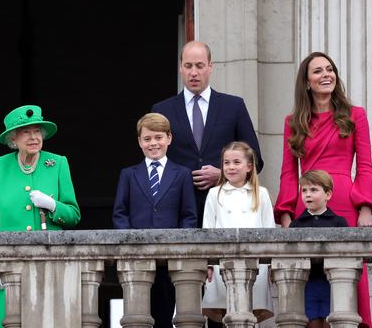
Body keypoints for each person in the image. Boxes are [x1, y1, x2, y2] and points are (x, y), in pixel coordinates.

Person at [274, 52, 372, 327]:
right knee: (310, 288)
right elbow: (288, 172)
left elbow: (366, 167)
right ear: (306, 81)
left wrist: (366, 208)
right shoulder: (293, 122)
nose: (326, 75)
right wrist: (286, 215)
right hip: (307, 205)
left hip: (345, 202)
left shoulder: (355, 115)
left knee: (347, 283)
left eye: (330, 69)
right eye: (318, 71)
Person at [0, 104, 81, 328]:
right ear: (13, 139)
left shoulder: (57, 163)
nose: (34, 137)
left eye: (37, 131)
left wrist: (53, 206)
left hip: (50, 264)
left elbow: (74, 215)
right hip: (10, 266)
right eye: (26, 132)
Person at [152, 41, 263, 228]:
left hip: (225, 207)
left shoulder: (233, 106)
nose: (194, 72)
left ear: (210, 67)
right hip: (177, 209)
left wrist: (223, 174)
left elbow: (256, 160)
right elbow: (153, 161)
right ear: (180, 68)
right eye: (188, 66)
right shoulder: (162, 110)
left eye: (200, 66)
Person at [112, 112, 197, 327]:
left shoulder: (182, 174)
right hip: (137, 258)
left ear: (169, 138)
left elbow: (189, 215)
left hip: (170, 260)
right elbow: (120, 213)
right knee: (137, 316)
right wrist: (130, 242)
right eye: (147, 138)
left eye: (158, 137)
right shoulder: (128, 174)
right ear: (140, 142)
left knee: (165, 315)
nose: (153, 143)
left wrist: (180, 247)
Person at [201, 141, 275, 324]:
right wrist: (208, 264)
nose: (230, 167)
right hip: (221, 264)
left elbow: (270, 231)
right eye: (226, 163)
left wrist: (272, 264)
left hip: (256, 264)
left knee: (250, 314)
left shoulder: (261, 194)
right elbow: (207, 230)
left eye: (236, 162)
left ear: (249, 167)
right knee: (226, 313)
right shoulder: (214, 193)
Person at [290, 170, 348, 328]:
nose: (307, 194)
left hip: (332, 284)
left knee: (331, 322)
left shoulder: (338, 222)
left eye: (313, 190)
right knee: (311, 323)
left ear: (328, 194)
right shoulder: (296, 225)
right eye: (304, 190)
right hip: (308, 284)